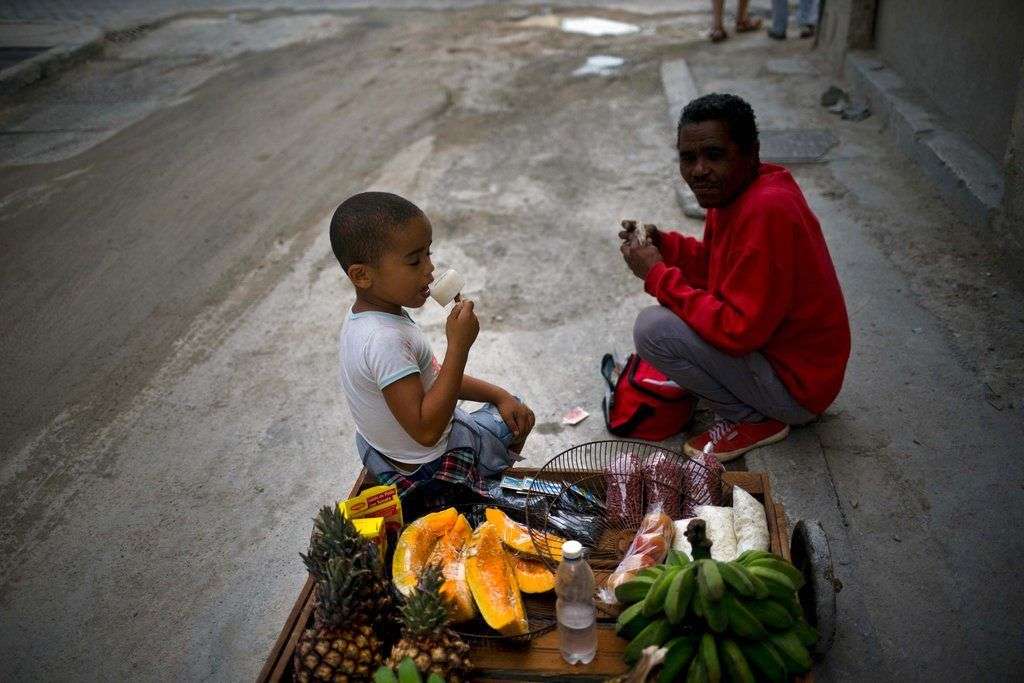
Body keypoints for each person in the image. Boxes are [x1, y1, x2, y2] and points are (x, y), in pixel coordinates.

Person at [620, 94, 850, 462]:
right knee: (670, 318)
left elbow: (739, 331)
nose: (699, 170)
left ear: (750, 153)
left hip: (798, 391)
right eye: (688, 158)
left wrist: (658, 275)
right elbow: (717, 267)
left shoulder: (767, 210)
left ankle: (753, 418)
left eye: (714, 155)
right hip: (788, 364)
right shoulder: (736, 193)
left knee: (653, 329)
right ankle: (751, 401)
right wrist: (666, 247)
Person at [331, 191, 535, 505]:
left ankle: (462, 488)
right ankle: (468, 493)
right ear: (361, 275)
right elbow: (426, 431)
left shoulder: (371, 316)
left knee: (506, 403)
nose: (430, 268)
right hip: (427, 466)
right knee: (520, 415)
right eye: (414, 260)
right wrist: (459, 347)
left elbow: (433, 376)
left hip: (386, 454)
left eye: (428, 253)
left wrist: (498, 395)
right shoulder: (385, 340)